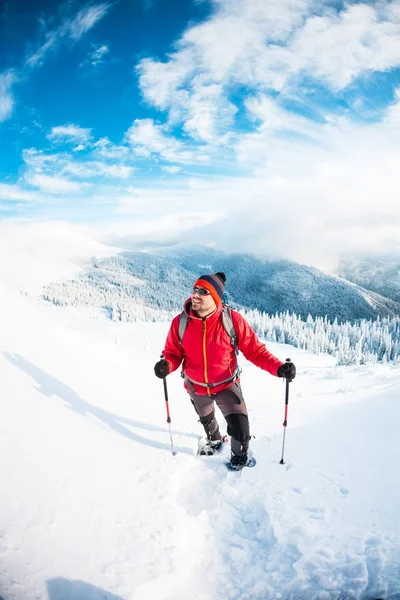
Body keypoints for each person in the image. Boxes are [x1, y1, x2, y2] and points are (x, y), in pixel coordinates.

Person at [154, 272, 296, 468]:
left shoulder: (232, 321)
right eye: (195, 289)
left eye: (203, 291)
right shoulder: (181, 323)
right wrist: (166, 365)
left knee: (241, 430)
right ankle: (214, 439)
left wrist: (279, 368)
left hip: (226, 386)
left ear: (216, 297)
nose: (195, 294)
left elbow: (255, 351)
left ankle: (239, 457)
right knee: (207, 419)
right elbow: (173, 353)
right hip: (196, 387)